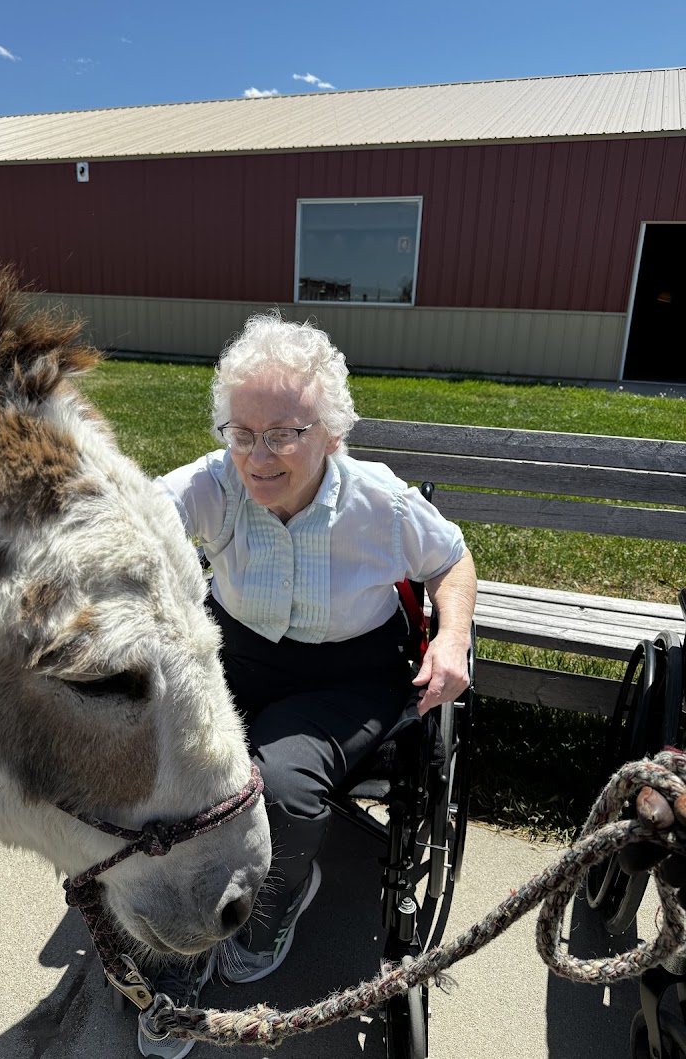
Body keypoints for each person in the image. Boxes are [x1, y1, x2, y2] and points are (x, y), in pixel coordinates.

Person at [140, 313, 477, 1058]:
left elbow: (453, 562)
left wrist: (451, 639)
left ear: (329, 431)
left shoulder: (378, 503)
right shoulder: (217, 482)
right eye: (242, 431)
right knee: (160, 764)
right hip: (237, 652)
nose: (258, 456)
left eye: (283, 433)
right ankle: (182, 937)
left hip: (348, 672)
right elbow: (140, 518)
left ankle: (271, 911)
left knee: (278, 788)